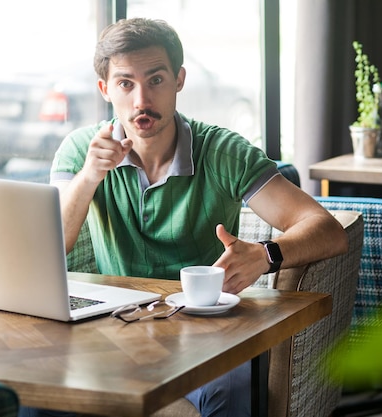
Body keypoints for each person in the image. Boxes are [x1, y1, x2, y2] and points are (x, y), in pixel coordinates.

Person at [24, 17, 348, 417]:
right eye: (126, 83)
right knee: (36, 400)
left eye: (156, 80)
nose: (142, 99)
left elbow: (329, 231)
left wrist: (266, 254)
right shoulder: (81, 151)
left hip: (207, 330)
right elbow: (49, 250)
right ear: (106, 89)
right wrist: (90, 175)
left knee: (229, 395)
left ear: (179, 79)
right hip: (114, 326)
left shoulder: (223, 152)